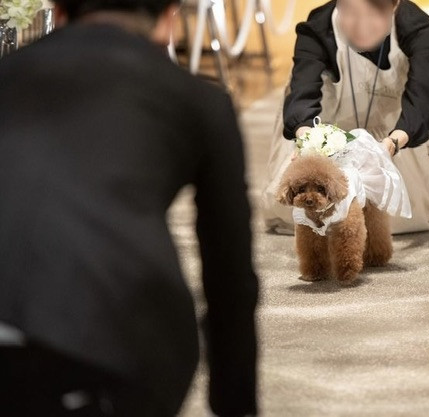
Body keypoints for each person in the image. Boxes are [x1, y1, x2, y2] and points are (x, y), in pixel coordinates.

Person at [0, 0, 258, 416]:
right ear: (169, 22)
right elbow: (230, 278)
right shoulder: (199, 101)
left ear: (59, 14)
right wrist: (236, 404)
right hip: (119, 341)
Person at [262, 0, 429, 234]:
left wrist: (392, 144)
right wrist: (310, 142)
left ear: (394, 7)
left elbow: (422, 97)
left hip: (397, 128)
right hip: (332, 126)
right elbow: (302, 93)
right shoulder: (318, 27)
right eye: (350, 13)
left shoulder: (417, 28)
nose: (361, 26)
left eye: (374, 15)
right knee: (306, 216)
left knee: (408, 214)